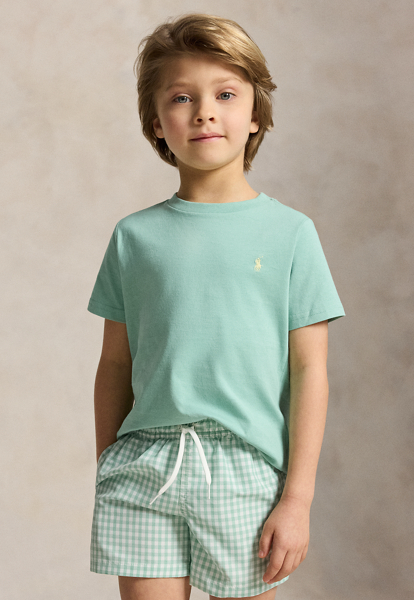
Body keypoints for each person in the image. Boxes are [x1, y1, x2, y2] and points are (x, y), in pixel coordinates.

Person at [87, 13, 345, 600]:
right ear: (157, 123)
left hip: (245, 471)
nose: (205, 112)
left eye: (225, 94)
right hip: (143, 468)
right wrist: (110, 466)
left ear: (255, 114)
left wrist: (297, 498)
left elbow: (310, 370)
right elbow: (115, 365)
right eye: (182, 97)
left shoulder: (291, 234)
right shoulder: (133, 237)